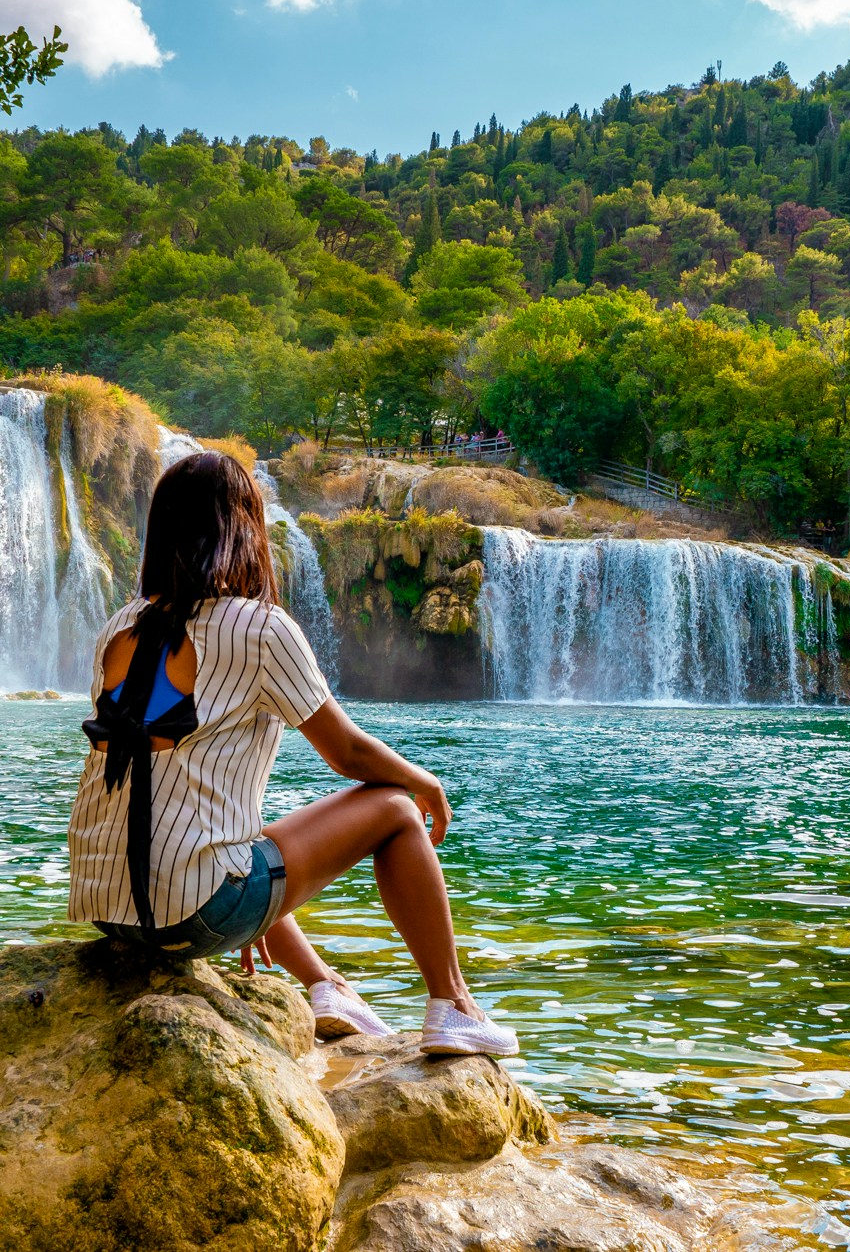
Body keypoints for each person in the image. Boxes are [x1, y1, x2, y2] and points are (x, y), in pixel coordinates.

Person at [67, 451, 518, 1057]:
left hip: (106, 903)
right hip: (191, 911)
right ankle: (453, 1005)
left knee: (249, 842)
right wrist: (424, 782)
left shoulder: (120, 624)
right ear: (243, 527)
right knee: (394, 807)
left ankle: (326, 987)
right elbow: (350, 753)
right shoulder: (259, 628)